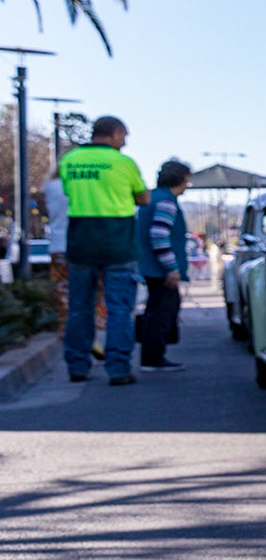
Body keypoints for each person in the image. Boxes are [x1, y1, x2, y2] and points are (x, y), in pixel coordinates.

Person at [59, 116, 149, 385]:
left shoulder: (70, 160)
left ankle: (77, 366)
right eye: (125, 136)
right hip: (118, 243)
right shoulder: (124, 163)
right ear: (116, 133)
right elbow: (143, 197)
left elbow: (68, 192)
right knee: (120, 309)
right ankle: (118, 368)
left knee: (79, 308)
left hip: (81, 242)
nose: (125, 142)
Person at [135, 159, 192, 373]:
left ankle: (152, 356)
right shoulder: (167, 201)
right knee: (162, 312)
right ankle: (153, 358)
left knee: (155, 310)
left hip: (149, 266)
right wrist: (171, 268)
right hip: (160, 269)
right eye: (188, 179)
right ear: (180, 179)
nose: (189, 184)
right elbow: (159, 235)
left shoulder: (152, 198)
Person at [42, 170, 68, 314]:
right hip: (82, 245)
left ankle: (65, 331)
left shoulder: (51, 186)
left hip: (57, 246)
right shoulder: (80, 185)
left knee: (63, 295)